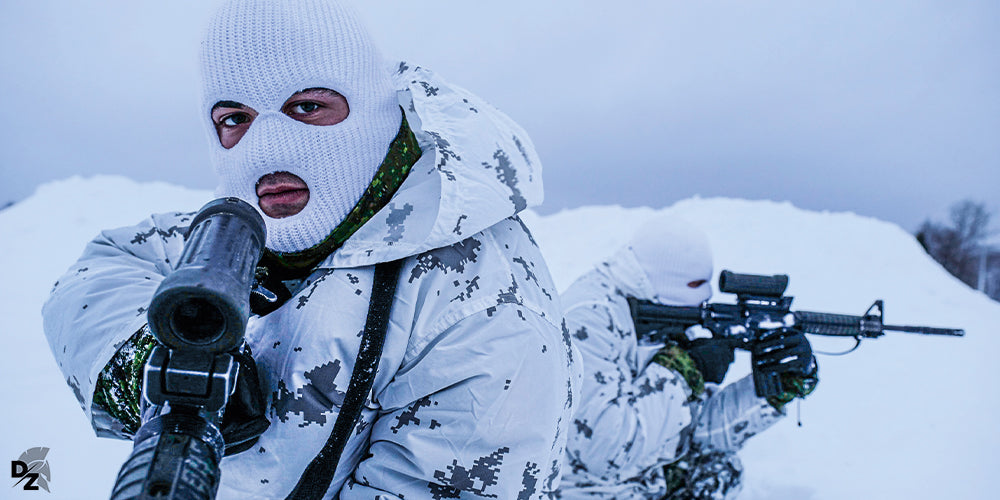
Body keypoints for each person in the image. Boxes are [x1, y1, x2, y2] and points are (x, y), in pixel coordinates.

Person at [41, 0, 578, 498]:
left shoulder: (482, 303)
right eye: (235, 118)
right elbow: (106, 266)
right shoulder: (245, 229)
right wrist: (140, 360)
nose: (268, 148)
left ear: (372, 111)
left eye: (306, 106)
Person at [556, 215, 818, 499]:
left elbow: (697, 433)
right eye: (693, 291)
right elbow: (602, 449)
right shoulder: (588, 319)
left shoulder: (666, 310)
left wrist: (773, 389)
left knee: (719, 473)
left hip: (643, 480)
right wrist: (683, 370)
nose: (697, 310)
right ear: (666, 284)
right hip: (583, 490)